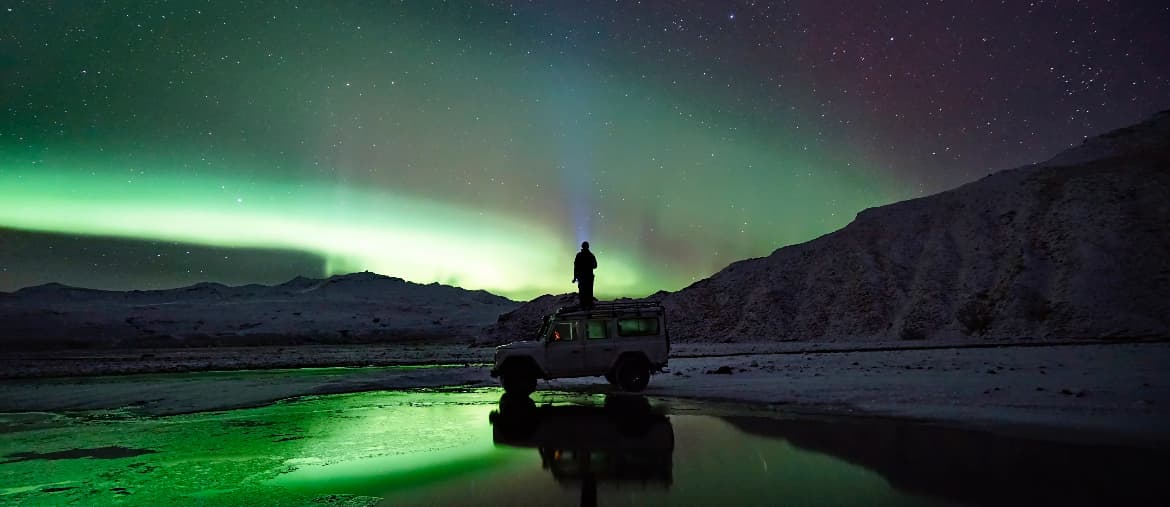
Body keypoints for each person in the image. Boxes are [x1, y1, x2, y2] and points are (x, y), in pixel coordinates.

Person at [572, 241, 597, 309]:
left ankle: (584, 305)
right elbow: (595, 266)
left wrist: (575, 277)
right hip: (588, 276)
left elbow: (575, 267)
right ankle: (588, 305)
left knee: (583, 291)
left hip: (582, 277)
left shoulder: (579, 255)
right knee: (588, 291)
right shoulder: (591, 255)